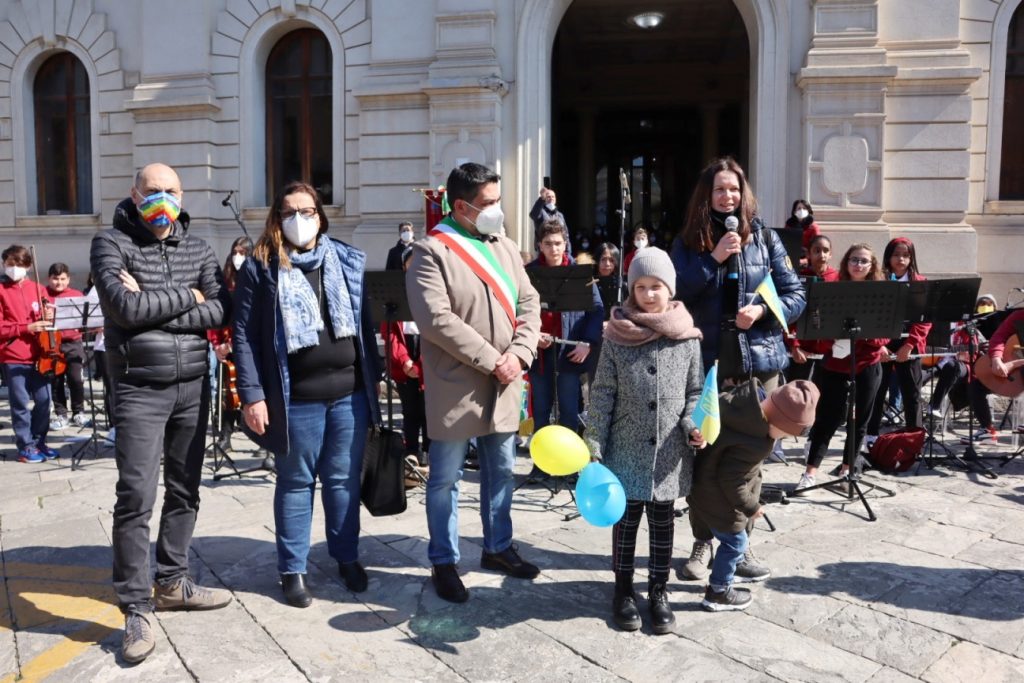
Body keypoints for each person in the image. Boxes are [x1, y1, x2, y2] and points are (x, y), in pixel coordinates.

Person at [90, 163, 233, 664]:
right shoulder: (110, 243)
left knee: (186, 489)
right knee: (135, 496)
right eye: (153, 191)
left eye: (171, 191)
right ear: (134, 193)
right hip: (138, 388)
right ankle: (134, 606)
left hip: (193, 385)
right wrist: (187, 297)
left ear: (182, 193)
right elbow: (122, 311)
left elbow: (220, 308)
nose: (163, 200)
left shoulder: (198, 246)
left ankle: (172, 582)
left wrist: (152, 298)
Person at [232, 181, 381, 610]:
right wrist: (252, 395)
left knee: (342, 482)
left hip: (349, 396)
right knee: (296, 483)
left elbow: (364, 326)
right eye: (290, 211)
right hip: (295, 398)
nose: (300, 219)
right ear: (278, 219)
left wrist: (375, 383)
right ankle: (292, 568)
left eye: (308, 211)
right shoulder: (260, 267)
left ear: (321, 215)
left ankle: (346, 557)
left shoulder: (346, 260)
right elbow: (242, 336)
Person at [406, 162, 542, 603]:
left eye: (498, 202)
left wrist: (519, 354)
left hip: (505, 381)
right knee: (444, 478)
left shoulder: (504, 245)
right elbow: (435, 320)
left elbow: (529, 301)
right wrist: (493, 359)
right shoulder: (431, 251)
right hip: (456, 385)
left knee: (501, 470)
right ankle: (444, 560)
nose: (497, 211)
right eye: (488, 204)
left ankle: (498, 547)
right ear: (461, 205)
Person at [671, 157, 805, 583]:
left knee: (750, 458)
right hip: (707, 361)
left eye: (733, 189)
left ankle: (740, 543)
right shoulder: (692, 237)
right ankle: (702, 541)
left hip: (756, 363)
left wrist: (764, 311)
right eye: (719, 190)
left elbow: (796, 293)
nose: (727, 197)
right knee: (702, 453)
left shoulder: (764, 236)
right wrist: (712, 257)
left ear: (743, 193)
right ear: (706, 196)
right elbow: (673, 289)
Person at [584, 247, 704, 635]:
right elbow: (601, 393)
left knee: (663, 522)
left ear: (669, 289)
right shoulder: (616, 336)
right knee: (627, 520)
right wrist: (594, 443)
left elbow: (695, 392)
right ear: (630, 290)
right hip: (625, 446)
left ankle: (658, 589)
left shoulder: (687, 337)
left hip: (669, 451)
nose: (649, 294)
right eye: (641, 287)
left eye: (656, 286)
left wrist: (691, 424)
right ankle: (622, 589)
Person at [688, 379, 819, 611]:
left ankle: (734, 567)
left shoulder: (739, 404)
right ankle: (719, 591)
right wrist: (752, 506)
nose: (781, 439)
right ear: (780, 421)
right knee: (734, 542)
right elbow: (732, 481)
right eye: (785, 434)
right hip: (719, 499)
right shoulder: (755, 440)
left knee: (732, 538)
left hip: (702, 488)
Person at [793, 244, 889, 493]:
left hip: (867, 363)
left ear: (872, 266)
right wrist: (832, 338)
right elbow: (819, 329)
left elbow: (884, 337)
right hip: (835, 363)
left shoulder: (881, 294)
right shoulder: (833, 290)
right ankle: (810, 473)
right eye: (854, 260)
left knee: (859, 421)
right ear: (846, 262)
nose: (858, 264)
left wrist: (860, 335)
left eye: (864, 261)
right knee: (827, 418)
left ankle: (848, 471)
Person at [526, 220, 603, 438]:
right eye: (548, 243)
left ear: (565, 243)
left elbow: (596, 309)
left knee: (569, 412)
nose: (554, 249)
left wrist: (587, 343)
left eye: (558, 243)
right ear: (540, 245)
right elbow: (516, 310)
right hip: (539, 353)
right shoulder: (528, 273)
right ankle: (540, 466)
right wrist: (532, 335)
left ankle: (569, 467)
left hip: (570, 352)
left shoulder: (579, 272)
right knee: (540, 412)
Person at [864, 237, 931, 448]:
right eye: (896, 255)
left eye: (905, 255)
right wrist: (878, 345)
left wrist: (910, 345)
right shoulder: (879, 280)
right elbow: (871, 315)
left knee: (911, 392)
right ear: (888, 257)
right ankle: (870, 434)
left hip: (908, 343)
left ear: (911, 258)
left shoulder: (920, 282)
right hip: (882, 343)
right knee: (877, 389)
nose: (900, 259)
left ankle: (915, 435)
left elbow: (925, 319)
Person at [0, 245, 57, 463]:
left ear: (28, 266)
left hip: (40, 354)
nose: (14, 269)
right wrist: (27, 328)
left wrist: (50, 314)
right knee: (20, 404)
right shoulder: (1, 290)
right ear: (4, 264)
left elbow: (45, 318)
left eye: (19, 265)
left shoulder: (38, 288)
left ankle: (38, 440)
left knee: (44, 400)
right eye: (10, 264)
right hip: (13, 354)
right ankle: (25, 446)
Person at [384, 246, 429, 468]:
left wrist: (421, 364)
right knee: (410, 410)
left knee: (429, 411)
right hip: (406, 358)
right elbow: (390, 332)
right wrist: (405, 361)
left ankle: (430, 454)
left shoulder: (435, 291)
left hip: (428, 357)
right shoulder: (395, 292)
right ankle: (411, 452)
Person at [207, 236, 253, 455]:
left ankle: (267, 445)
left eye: (243, 252)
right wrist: (218, 345)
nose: (238, 256)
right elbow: (216, 316)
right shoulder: (225, 283)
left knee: (256, 393)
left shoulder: (257, 280)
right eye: (235, 251)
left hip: (252, 348)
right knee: (229, 394)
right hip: (228, 346)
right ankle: (225, 437)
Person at [786, 235, 838, 384]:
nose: (821, 255)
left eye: (825, 250)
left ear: (831, 254)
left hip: (830, 351)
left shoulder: (838, 277)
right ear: (808, 254)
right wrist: (795, 346)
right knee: (796, 392)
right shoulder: (798, 278)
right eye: (817, 250)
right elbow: (790, 315)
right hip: (803, 350)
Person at [45, 263, 88, 430]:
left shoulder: (76, 295)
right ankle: (61, 414)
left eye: (63, 279)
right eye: (55, 279)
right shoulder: (43, 295)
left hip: (73, 342)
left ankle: (79, 411)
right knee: (56, 381)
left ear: (68, 279)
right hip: (52, 343)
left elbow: (83, 319)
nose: (59, 282)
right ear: (49, 278)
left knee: (76, 379)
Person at [595, 242, 624, 318]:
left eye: (611, 260)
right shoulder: (590, 283)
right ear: (597, 261)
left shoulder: (621, 284)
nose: (607, 264)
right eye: (603, 259)